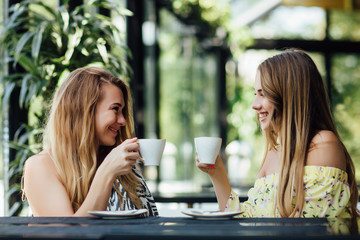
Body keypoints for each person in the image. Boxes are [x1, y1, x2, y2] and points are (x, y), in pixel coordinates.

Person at [197, 49, 359, 218]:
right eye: (255, 94)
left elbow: (312, 229)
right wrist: (217, 173)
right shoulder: (273, 151)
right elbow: (250, 218)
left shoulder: (322, 144)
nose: (254, 104)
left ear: (289, 96)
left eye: (263, 94)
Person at [22, 67, 158, 216]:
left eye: (123, 111)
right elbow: (67, 233)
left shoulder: (121, 166)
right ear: (84, 112)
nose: (123, 121)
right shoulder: (40, 166)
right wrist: (107, 172)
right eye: (115, 109)